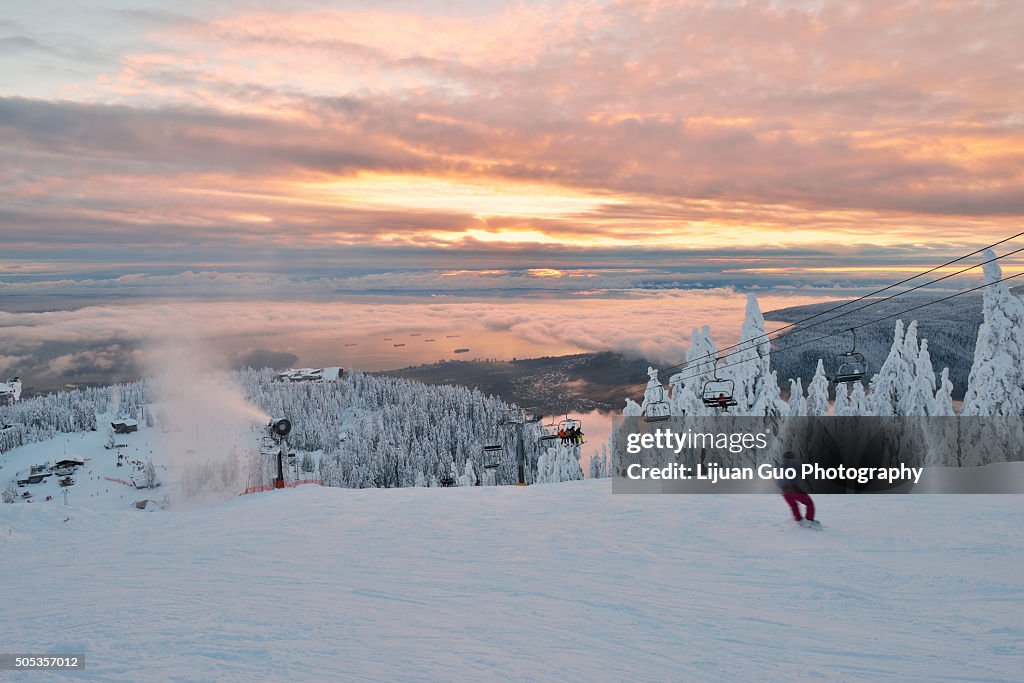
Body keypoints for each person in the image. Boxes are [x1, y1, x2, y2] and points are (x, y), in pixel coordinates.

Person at [778, 451, 819, 528]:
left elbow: (777, 480)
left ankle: (798, 521)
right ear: (792, 457)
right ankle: (809, 521)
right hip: (793, 489)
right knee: (809, 503)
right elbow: (803, 476)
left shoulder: (780, 466)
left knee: (794, 505)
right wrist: (810, 486)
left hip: (784, 492)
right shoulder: (794, 465)